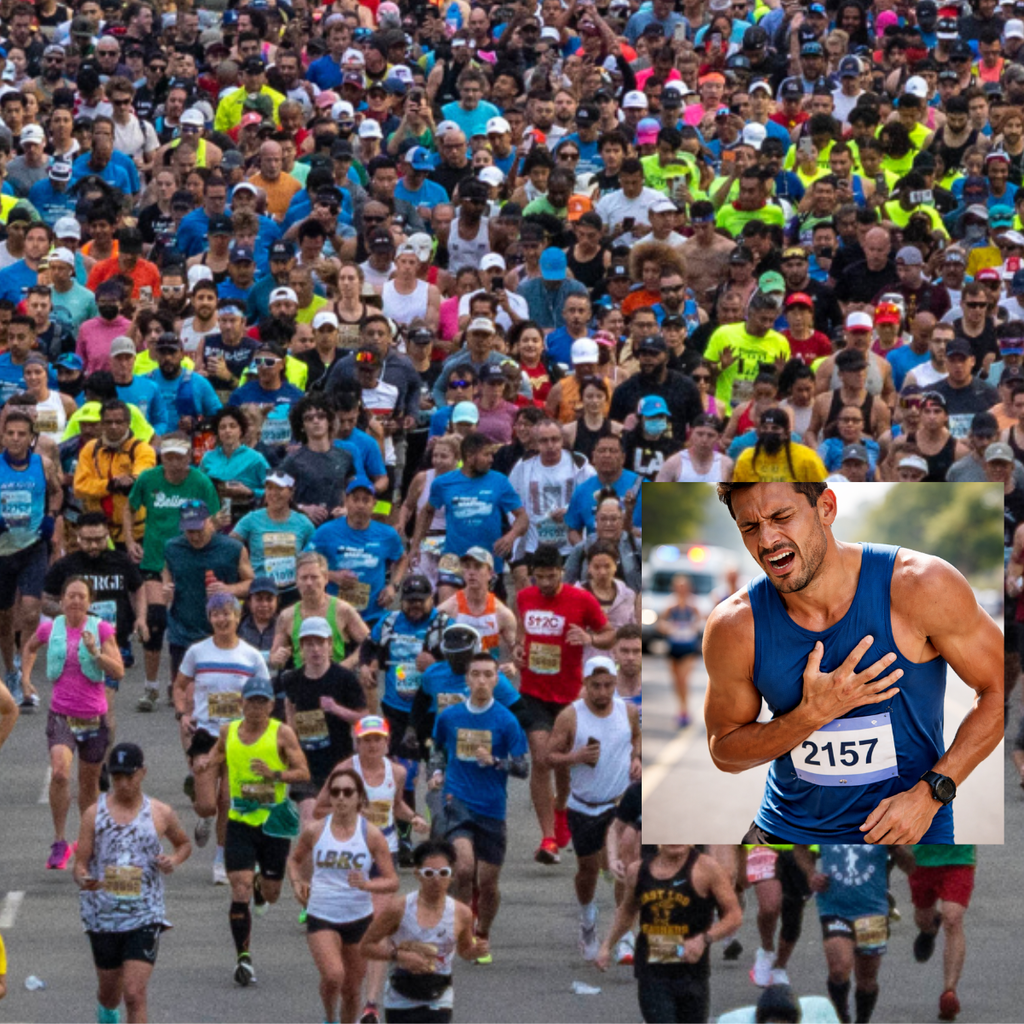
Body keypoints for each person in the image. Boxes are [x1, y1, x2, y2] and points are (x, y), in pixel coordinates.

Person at [705, 484, 1004, 843]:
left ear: (826, 508)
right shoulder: (735, 626)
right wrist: (811, 714)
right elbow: (724, 750)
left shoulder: (920, 585)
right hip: (786, 834)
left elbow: (1003, 690)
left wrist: (931, 794)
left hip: (908, 836)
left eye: (782, 517)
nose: (767, 540)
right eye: (750, 527)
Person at [194, 674, 310, 987]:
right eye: (252, 702)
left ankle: (263, 885)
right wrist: (206, 764)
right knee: (239, 886)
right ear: (242, 703)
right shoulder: (228, 730)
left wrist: (275, 774)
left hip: (273, 823)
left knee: (270, 893)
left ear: (272, 705)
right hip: (240, 821)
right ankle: (242, 958)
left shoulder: (281, 734)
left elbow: (303, 772)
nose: (256, 708)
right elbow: (218, 754)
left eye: (263, 703)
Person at [74, 742, 191, 1024]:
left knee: (134, 993)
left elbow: (184, 844)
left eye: (129, 776)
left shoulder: (160, 812)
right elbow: (80, 862)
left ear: (143, 773)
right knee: (109, 993)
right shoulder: (94, 814)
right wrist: (83, 878)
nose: (123, 783)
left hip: (145, 914)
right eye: (117, 778)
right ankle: (107, 1013)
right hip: (103, 915)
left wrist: (172, 861)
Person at [515, 544, 615, 864]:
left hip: (569, 695)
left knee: (563, 762)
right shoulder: (525, 597)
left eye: (551, 576)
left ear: (561, 572)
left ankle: (561, 811)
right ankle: (547, 838)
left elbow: (608, 634)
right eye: (540, 576)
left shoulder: (581, 599)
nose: (545, 583)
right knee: (542, 759)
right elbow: (520, 635)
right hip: (533, 692)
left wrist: (589, 640)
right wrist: (518, 650)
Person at [429, 651, 529, 963]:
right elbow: (437, 750)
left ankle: (483, 930)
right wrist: (436, 773)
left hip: (492, 807)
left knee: (487, 883)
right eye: (477, 675)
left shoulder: (506, 720)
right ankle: (462, 932)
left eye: (488, 674)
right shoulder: (450, 716)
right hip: (457, 801)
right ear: (467, 679)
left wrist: (496, 762)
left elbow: (523, 768)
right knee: (464, 868)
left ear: (497, 679)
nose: (482, 681)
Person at [24, 576, 125, 870]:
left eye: (82, 596)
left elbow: (118, 671)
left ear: (89, 602)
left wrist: (96, 652)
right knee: (59, 773)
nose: (76, 601)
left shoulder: (101, 629)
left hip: (93, 717)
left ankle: (86, 841)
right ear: (62, 600)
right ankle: (59, 841)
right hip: (61, 715)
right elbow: (30, 648)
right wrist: (27, 678)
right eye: (71, 596)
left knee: (89, 784)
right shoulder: (51, 628)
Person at [287, 765, 399, 1024]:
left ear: (360, 798)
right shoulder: (316, 830)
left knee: (351, 990)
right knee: (334, 975)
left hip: (359, 917)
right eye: (335, 792)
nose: (340, 798)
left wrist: (368, 886)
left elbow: (392, 881)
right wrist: (297, 882)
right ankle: (329, 1018)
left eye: (348, 792)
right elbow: (294, 860)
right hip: (321, 913)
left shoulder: (371, 835)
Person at [172, 593, 271, 885]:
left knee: (228, 799)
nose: (222, 619)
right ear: (209, 618)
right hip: (206, 735)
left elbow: (267, 695)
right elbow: (179, 687)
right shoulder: (197, 652)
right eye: (216, 614)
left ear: (238, 617)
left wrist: (259, 725)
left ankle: (221, 857)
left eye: (227, 613)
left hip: (239, 738)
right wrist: (183, 714)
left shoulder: (250, 656)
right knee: (208, 804)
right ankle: (204, 817)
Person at [546, 656, 640, 961]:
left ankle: (624, 934)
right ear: (585, 684)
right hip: (584, 805)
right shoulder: (571, 716)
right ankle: (587, 921)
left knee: (623, 867)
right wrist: (576, 756)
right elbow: (548, 756)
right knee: (588, 871)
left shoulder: (627, 711)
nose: (602, 692)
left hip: (619, 803)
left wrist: (637, 759)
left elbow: (637, 740)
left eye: (608, 685)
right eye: (595, 685)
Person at [594, 844, 743, 1024]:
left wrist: (704, 939)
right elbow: (627, 910)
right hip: (652, 969)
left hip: (692, 972)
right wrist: (607, 945)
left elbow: (734, 915)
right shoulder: (638, 871)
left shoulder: (707, 869)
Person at [360, 838, 490, 1024]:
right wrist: (399, 956)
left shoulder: (461, 913)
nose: (436, 880)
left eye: (443, 873)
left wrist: (475, 952)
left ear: (452, 875)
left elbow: (465, 950)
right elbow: (366, 947)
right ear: (417, 875)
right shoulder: (399, 909)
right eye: (429, 873)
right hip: (401, 997)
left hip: (439, 996)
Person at [794, 844, 915, 1024]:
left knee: (867, 980)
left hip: (872, 909)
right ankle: (841, 1017)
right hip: (834, 907)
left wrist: (896, 848)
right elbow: (800, 847)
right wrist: (811, 874)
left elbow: (911, 866)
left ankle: (862, 1020)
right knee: (838, 969)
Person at [0, 408, 63, 707]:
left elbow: (57, 492)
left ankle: (25, 678)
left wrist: (51, 516)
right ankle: (10, 670)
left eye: (21, 434)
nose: (15, 438)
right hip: (2, 550)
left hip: (32, 546)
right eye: (10, 433)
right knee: (4, 618)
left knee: (30, 610)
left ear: (31, 437)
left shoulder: (44, 463)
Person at [282, 616, 367, 829]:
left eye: (320, 643)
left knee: (339, 823)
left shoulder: (345, 679)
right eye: (309, 644)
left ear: (330, 645)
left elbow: (365, 719)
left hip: (338, 763)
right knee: (310, 822)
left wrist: (336, 709)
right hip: (306, 765)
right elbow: (290, 714)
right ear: (301, 648)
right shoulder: (292, 679)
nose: (315, 649)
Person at [908, 844, 978, 1023]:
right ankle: (929, 930)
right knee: (923, 918)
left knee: (953, 918)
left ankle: (949, 992)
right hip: (922, 858)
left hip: (959, 859)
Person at [655, 575, 704, 729]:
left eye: (684, 587)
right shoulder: (671, 605)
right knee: (677, 682)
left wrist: (693, 627)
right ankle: (681, 709)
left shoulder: (693, 605)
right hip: (673, 646)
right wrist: (668, 628)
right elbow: (660, 623)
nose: (681, 590)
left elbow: (702, 621)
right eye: (678, 587)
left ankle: (685, 711)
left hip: (688, 647)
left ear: (688, 588)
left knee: (683, 680)